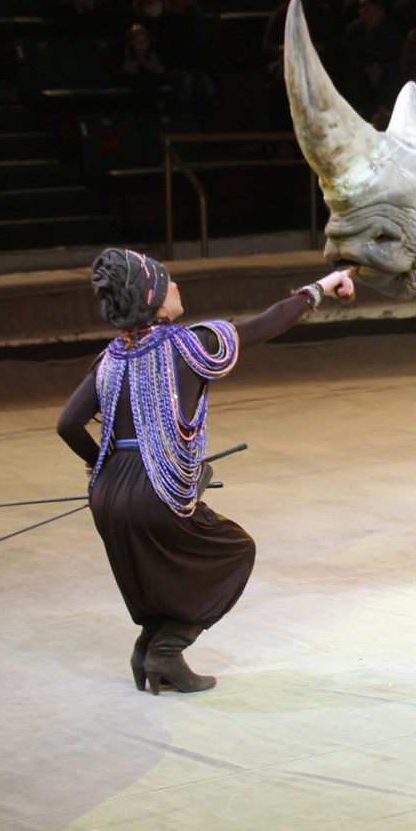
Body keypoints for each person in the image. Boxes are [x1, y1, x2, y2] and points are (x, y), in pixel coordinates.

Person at [56, 250, 356, 693]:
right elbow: (267, 323)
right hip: (157, 489)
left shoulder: (111, 357)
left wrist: (99, 463)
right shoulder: (190, 343)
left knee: (159, 569)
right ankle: (168, 648)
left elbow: (67, 424)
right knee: (234, 551)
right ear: (156, 299)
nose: (178, 287)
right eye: (170, 282)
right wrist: (323, 287)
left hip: (108, 492)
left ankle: (150, 651)